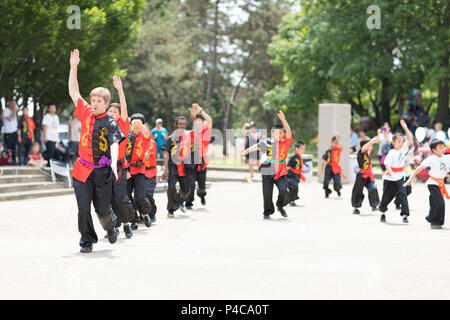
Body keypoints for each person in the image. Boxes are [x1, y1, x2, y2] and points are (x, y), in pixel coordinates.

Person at [68, 49, 125, 253]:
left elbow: (114, 144)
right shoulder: (85, 112)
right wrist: (73, 67)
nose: (94, 103)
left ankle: (110, 228)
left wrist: (114, 164)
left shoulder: (110, 122)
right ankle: (87, 239)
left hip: (102, 173)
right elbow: (74, 92)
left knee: (102, 211)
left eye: (99, 101)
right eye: (93, 100)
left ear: (106, 104)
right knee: (83, 208)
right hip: (82, 170)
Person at [242, 110, 293, 219]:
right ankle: (267, 212)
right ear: (272, 133)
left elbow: (289, 132)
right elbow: (257, 146)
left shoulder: (285, 142)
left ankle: (280, 205)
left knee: (284, 190)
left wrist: (283, 120)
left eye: (281, 133)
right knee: (267, 193)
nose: (279, 135)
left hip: (281, 170)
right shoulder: (267, 142)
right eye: (276, 133)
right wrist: (246, 151)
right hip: (268, 169)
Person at [106, 76, 135, 239]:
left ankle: (126, 224)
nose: (111, 113)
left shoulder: (122, 125)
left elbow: (124, 107)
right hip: (105, 166)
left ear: (119, 115)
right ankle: (113, 226)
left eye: (114, 112)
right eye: (109, 111)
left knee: (120, 197)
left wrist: (119, 89)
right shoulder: (104, 125)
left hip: (120, 166)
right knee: (108, 198)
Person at [404, 139, 450, 229]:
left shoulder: (447, 158)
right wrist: (410, 179)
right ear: (434, 150)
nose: (443, 149)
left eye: (443, 147)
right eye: (440, 147)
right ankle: (436, 222)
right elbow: (420, 168)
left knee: (435, 203)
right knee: (440, 203)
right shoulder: (431, 159)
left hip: (441, 183)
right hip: (432, 184)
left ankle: (431, 218)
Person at [378, 119, 414, 224]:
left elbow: (410, 139)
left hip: (399, 177)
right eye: (398, 142)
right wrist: (392, 174)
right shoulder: (391, 153)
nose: (401, 144)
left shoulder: (403, 150)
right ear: (393, 143)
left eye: (402, 142)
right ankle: (383, 212)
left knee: (403, 194)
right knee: (386, 197)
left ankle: (405, 215)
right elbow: (387, 164)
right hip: (389, 178)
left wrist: (405, 128)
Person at [126, 113, 153, 229]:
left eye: (139, 123)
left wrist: (142, 126)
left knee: (140, 195)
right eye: (134, 123)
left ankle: (144, 213)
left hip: (140, 170)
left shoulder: (145, 136)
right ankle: (134, 219)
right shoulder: (126, 136)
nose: (137, 126)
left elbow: (146, 133)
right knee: (127, 196)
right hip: (127, 170)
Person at [162, 115, 191, 218]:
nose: (182, 126)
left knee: (187, 190)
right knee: (171, 188)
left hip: (185, 167)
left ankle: (179, 202)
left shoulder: (189, 138)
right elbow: (166, 153)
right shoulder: (171, 138)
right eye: (180, 124)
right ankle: (171, 209)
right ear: (176, 125)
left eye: (184, 124)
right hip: (172, 166)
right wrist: (166, 169)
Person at [185, 104, 213, 209]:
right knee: (190, 183)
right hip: (191, 161)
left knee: (202, 185)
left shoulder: (206, 133)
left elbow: (209, 120)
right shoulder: (190, 134)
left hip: (202, 161)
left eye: (200, 124)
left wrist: (200, 111)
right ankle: (188, 203)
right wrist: (193, 114)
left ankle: (202, 195)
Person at [351, 136, 380, 214]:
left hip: (369, 175)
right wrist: (371, 141)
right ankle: (356, 207)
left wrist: (375, 140)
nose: (371, 147)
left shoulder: (368, 153)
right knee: (358, 191)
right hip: (361, 176)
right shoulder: (361, 153)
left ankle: (374, 205)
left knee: (373, 189)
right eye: (370, 146)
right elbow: (364, 147)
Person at [319, 132, 345, 198]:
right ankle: (327, 192)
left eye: (336, 143)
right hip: (329, 167)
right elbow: (323, 161)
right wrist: (321, 170)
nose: (335, 144)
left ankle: (338, 190)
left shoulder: (338, 150)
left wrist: (337, 138)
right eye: (334, 142)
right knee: (326, 182)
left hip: (336, 167)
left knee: (337, 182)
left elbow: (341, 146)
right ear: (331, 142)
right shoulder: (328, 151)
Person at [144, 123, 158, 223]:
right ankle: (143, 214)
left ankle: (152, 213)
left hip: (151, 173)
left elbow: (147, 153)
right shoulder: (137, 142)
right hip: (140, 173)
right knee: (140, 195)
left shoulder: (151, 142)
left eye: (146, 129)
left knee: (148, 194)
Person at [287, 141, 306, 207]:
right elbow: (287, 165)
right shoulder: (292, 157)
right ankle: (290, 200)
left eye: (304, 149)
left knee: (295, 188)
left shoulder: (299, 157)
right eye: (302, 149)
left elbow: (299, 165)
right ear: (296, 149)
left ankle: (291, 200)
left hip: (297, 175)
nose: (303, 150)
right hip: (291, 175)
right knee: (294, 186)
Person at [2, 100, 18, 165]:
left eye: (15, 104)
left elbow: (19, 109)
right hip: (8, 132)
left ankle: (13, 160)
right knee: (8, 148)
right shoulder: (5, 110)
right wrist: (14, 111)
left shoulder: (14, 108)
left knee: (14, 147)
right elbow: (10, 118)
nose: (14, 106)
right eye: (13, 104)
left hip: (14, 131)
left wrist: (15, 109)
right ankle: (7, 160)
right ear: (9, 104)